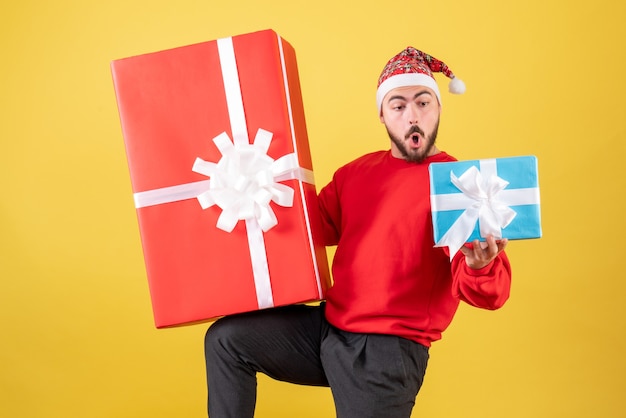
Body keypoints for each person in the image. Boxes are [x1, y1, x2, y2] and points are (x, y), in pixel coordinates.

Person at [204, 46, 512, 418]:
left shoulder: (459, 184)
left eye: (422, 103)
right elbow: (307, 227)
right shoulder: (355, 173)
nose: (411, 115)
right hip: (327, 330)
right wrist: (252, 185)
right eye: (398, 105)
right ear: (382, 114)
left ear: (438, 109)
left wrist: (480, 265)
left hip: (387, 350)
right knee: (226, 340)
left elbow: (491, 294)